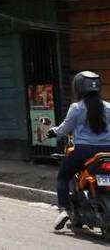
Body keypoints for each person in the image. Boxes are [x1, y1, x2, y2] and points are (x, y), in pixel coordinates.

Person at [48, 71, 110, 231]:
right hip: (107, 151)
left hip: (83, 151)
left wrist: (53, 131)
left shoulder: (76, 108)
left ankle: (63, 209)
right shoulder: (109, 107)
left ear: (78, 87)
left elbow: (64, 129)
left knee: (63, 177)